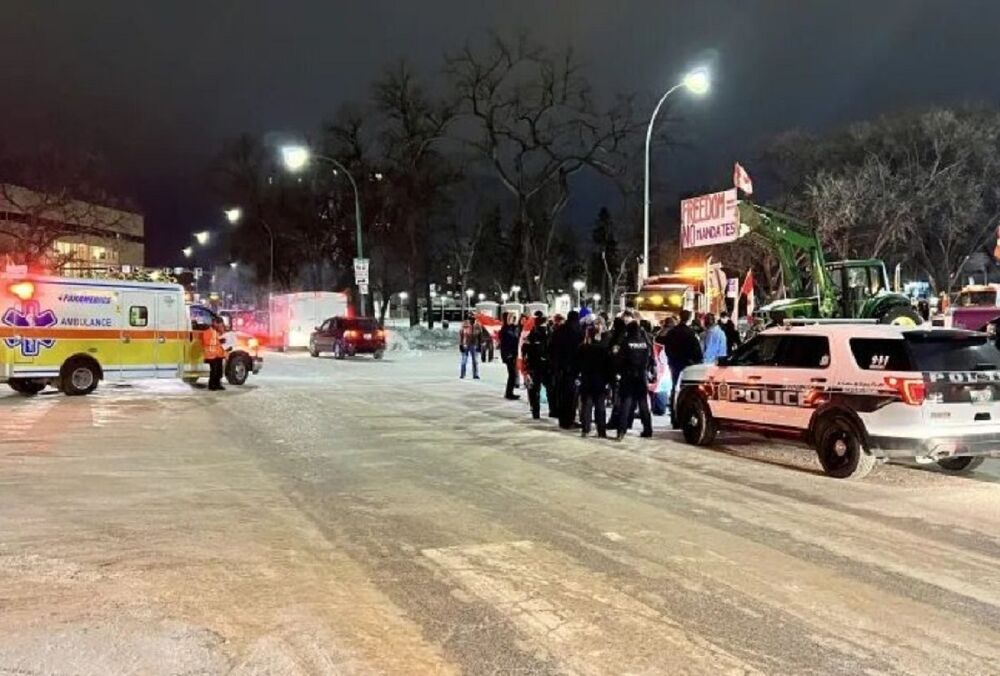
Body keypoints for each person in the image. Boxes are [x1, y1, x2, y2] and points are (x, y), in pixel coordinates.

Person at [657, 309, 703, 411]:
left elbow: (663, 343)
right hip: (687, 365)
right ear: (689, 319)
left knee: (674, 387)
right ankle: (683, 411)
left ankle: (674, 413)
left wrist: (671, 357)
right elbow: (697, 351)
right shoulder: (691, 333)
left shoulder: (672, 332)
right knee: (687, 390)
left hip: (674, 363)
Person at [615, 321, 653, 439]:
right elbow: (650, 358)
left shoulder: (626, 343)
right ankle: (648, 429)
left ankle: (621, 430)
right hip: (641, 376)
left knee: (626, 403)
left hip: (628, 376)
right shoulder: (645, 343)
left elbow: (620, 360)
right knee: (643, 404)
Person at [549, 309, 584, 429]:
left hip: (559, 368)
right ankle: (569, 420)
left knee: (561, 394)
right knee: (572, 396)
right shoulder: (577, 331)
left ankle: (562, 419)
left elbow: (552, 349)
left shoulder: (558, 330)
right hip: (573, 368)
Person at [577, 324, 611, 437]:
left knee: (587, 404)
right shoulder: (603, 349)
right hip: (600, 380)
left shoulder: (582, 348)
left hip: (586, 379)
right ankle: (601, 430)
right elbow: (608, 366)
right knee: (600, 406)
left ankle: (585, 429)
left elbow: (577, 364)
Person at [523, 314, 554, 419]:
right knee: (548, 388)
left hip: (536, 366)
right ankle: (551, 410)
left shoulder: (533, 334)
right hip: (543, 366)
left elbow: (525, 350)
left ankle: (537, 411)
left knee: (536, 390)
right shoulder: (548, 334)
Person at [499, 313, 521, 400]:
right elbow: (504, 344)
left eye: (514, 317)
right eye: (511, 318)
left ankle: (509, 392)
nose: (513, 319)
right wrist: (507, 355)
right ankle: (509, 393)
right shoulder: (505, 329)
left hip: (513, 353)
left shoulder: (512, 328)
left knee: (513, 374)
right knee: (512, 374)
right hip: (509, 355)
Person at [202, 317, 226, 391]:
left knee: (219, 371)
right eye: (219, 324)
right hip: (211, 355)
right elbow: (207, 342)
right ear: (214, 323)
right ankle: (212, 385)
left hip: (218, 355)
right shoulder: (208, 331)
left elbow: (218, 343)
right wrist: (219, 341)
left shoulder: (217, 332)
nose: (219, 326)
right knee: (214, 371)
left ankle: (218, 384)